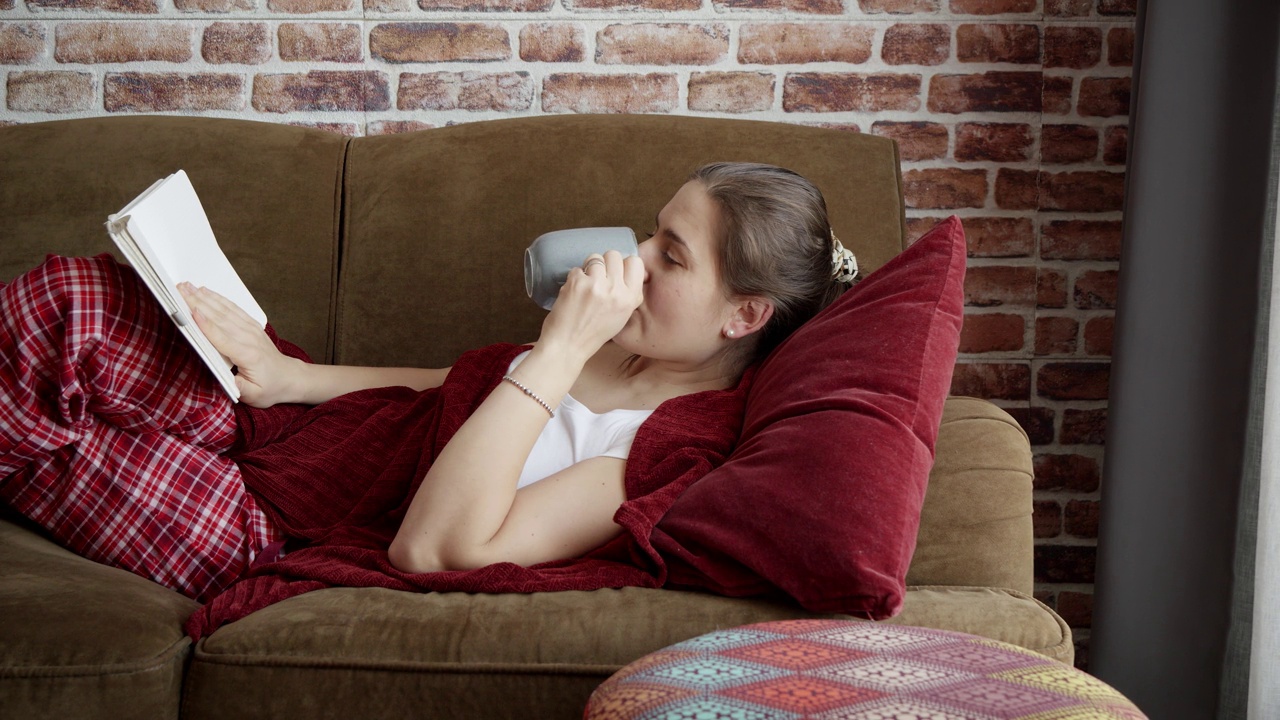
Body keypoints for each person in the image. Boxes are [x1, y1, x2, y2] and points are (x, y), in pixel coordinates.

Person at [0, 162, 859, 602]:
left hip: (274, 530)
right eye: (651, 232)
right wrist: (296, 378)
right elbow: (467, 383)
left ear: (742, 317)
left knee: (51, 434)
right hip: (302, 443)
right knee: (72, 300)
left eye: (669, 256)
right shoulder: (629, 347)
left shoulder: (670, 454)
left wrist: (560, 348)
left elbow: (438, 549)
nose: (631, 260)